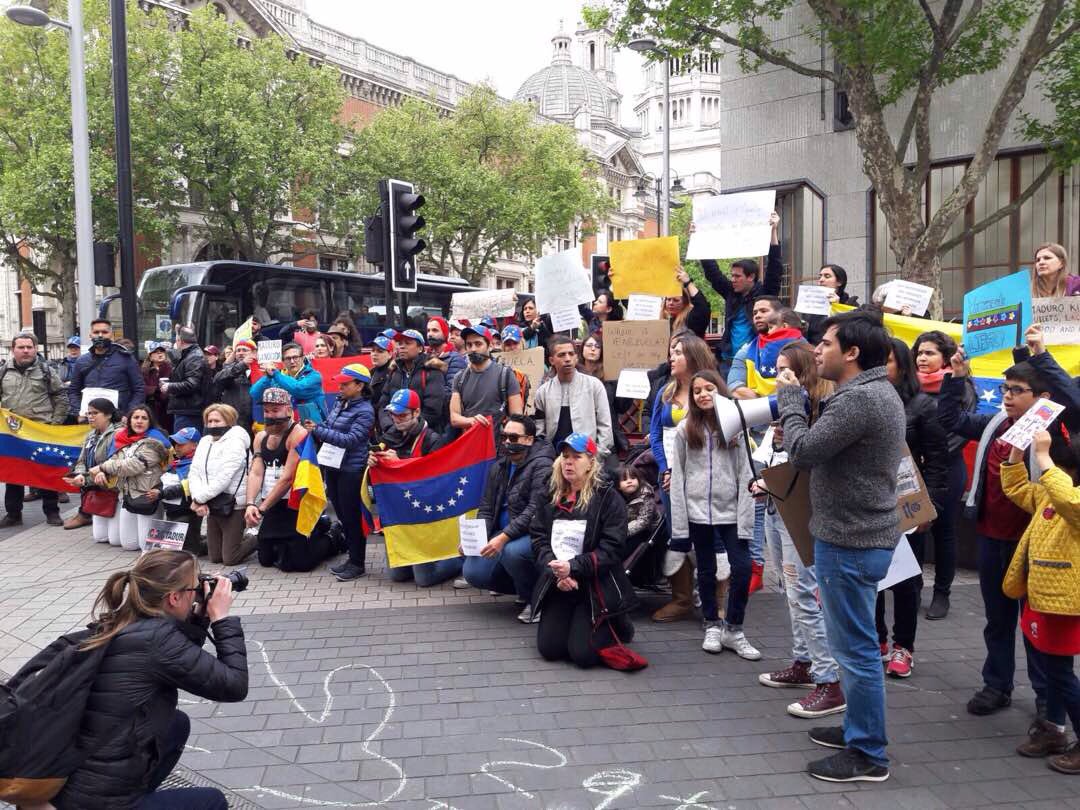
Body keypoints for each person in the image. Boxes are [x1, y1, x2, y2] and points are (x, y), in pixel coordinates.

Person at [775, 309, 905, 783]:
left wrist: (790, 401)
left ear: (851, 353)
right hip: (855, 537)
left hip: (850, 543)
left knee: (856, 651)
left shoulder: (859, 401)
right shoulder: (867, 393)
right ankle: (857, 730)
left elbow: (805, 452)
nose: (816, 350)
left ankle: (868, 754)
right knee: (855, 645)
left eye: (826, 343)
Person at [52, 550, 247, 810]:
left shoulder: (127, 619)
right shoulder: (158, 640)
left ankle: (141, 796)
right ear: (174, 597)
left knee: (176, 724)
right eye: (193, 587)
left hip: (75, 778)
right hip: (97, 801)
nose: (198, 590)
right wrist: (221, 619)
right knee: (212, 801)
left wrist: (199, 616)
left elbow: (181, 661)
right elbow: (234, 684)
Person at [938, 352, 1061, 719]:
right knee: (998, 619)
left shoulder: (1054, 435)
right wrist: (956, 377)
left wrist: (1038, 355)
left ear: (1041, 398)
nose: (1007, 396)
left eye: (1017, 390)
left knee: (1036, 624)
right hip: (992, 538)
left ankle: (1046, 698)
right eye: (1005, 389)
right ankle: (997, 685)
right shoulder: (994, 424)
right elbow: (950, 419)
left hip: (1033, 543)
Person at [754, 341, 845, 719]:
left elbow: (811, 459)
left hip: (802, 509)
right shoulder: (791, 408)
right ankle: (803, 663)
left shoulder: (824, 407)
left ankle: (829, 680)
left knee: (803, 592)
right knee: (793, 592)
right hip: (779, 504)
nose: (778, 377)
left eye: (785, 370)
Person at [1002, 429, 1080, 771]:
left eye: (1064, 470)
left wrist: (1045, 458)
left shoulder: (1071, 500)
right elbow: (1019, 489)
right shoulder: (1053, 495)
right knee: (1051, 669)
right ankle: (1053, 728)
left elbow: (1071, 503)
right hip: (1042, 595)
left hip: (1064, 601)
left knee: (1061, 673)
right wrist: (1017, 455)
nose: (1054, 476)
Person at [874, 338, 949, 679]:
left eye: (886, 362)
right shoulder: (866, 400)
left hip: (907, 504)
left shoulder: (921, 405)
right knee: (872, 576)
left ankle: (904, 646)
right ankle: (877, 640)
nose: (880, 368)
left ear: (901, 367)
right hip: (870, 502)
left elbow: (936, 460)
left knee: (905, 580)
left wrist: (928, 506)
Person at [668, 369, 757, 657]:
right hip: (697, 511)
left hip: (730, 509)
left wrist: (745, 515)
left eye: (709, 388)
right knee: (705, 570)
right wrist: (680, 526)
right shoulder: (685, 429)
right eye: (697, 391)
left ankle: (734, 627)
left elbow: (746, 472)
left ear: (720, 390)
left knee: (742, 568)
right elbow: (678, 474)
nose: (703, 394)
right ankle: (712, 623)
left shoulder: (735, 427)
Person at [532, 433, 635, 668]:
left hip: (595, 583)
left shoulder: (608, 497)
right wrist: (556, 571)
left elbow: (612, 549)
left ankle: (618, 622)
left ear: (591, 462)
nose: (568, 462)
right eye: (565, 456)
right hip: (559, 580)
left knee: (582, 656)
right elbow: (538, 539)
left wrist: (574, 568)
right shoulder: (548, 494)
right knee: (550, 650)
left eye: (576, 457)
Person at [649, 333, 717, 622]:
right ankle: (682, 599)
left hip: (704, 478)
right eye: (671, 352)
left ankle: (716, 601)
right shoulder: (665, 392)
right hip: (670, 479)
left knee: (711, 535)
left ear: (693, 356)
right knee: (676, 534)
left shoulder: (711, 392)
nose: (672, 357)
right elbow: (654, 435)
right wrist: (666, 469)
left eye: (677, 352)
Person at [464, 414, 555, 620]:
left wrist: (503, 538)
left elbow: (534, 510)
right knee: (473, 572)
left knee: (513, 553)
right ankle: (521, 588)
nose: (506, 442)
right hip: (503, 533)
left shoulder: (543, 465)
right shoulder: (499, 466)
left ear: (529, 439)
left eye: (513, 438)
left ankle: (537, 598)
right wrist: (475, 540)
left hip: (535, 534)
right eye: (504, 436)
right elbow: (486, 508)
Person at [913, 329, 975, 619]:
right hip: (914, 469)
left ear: (945, 357)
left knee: (944, 532)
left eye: (930, 353)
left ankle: (942, 594)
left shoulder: (960, 385)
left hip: (947, 467)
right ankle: (911, 589)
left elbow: (960, 429)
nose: (922, 358)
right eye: (920, 353)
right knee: (913, 530)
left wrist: (932, 453)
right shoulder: (909, 386)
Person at [306, 364, 374, 582]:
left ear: (360, 386)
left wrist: (318, 430)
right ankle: (352, 558)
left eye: (346, 384)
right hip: (333, 466)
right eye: (340, 383)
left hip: (352, 470)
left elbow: (351, 440)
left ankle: (357, 563)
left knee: (352, 516)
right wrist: (317, 426)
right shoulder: (340, 402)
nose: (340, 387)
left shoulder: (365, 410)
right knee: (343, 515)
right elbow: (329, 425)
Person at [0, 332, 68, 527]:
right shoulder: (4, 371)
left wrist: (55, 424)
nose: (26, 351)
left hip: (41, 431)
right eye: (21, 347)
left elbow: (61, 398)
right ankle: (13, 514)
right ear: (13, 349)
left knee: (45, 473)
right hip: (13, 434)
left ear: (35, 348)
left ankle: (52, 512)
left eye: (29, 347)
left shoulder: (46, 371)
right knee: (13, 474)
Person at [701, 211, 783, 373]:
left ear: (751, 277)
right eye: (732, 276)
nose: (732, 279)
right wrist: (699, 241)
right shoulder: (731, 293)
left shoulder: (765, 294)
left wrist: (773, 231)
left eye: (737, 276)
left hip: (755, 362)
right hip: (727, 362)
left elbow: (775, 267)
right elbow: (713, 273)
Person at [244, 387, 313, 570]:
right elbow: (256, 472)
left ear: (289, 410)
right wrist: (251, 503)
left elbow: (287, 478)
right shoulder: (259, 437)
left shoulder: (298, 434)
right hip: (272, 502)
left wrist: (262, 509)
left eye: (276, 410)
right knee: (266, 559)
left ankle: (331, 536)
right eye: (266, 411)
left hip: (295, 502)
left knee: (298, 563)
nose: (270, 416)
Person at [92, 405, 170, 552]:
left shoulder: (155, 441)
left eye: (144, 418)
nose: (139, 421)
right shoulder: (123, 438)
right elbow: (113, 459)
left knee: (150, 548)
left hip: (148, 496)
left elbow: (132, 466)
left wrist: (103, 468)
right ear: (129, 421)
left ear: (150, 422)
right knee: (127, 544)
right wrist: (104, 471)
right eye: (136, 417)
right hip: (127, 495)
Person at [187, 404, 254, 566]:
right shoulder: (204, 441)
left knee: (230, 559)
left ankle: (256, 537)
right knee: (215, 557)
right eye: (209, 421)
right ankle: (236, 537)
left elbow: (224, 478)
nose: (212, 424)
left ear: (229, 421)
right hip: (211, 501)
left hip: (232, 503)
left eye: (217, 420)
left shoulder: (236, 442)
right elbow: (194, 472)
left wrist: (199, 499)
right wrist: (199, 498)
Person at [533, 336, 612, 456]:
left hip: (587, 457)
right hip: (553, 458)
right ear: (551, 360)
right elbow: (540, 430)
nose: (567, 359)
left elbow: (605, 426)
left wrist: (596, 455)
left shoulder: (594, 385)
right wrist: (545, 456)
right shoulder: (543, 392)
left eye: (571, 354)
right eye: (561, 355)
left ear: (576, 358)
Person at [62, 397, 122, 539]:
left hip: (115, 490)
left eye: (95, 413)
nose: (90, 417)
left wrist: (86, 478)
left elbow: (113, 465)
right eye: (88, 413)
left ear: (108, 415)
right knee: (100, 538)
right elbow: (81, 460)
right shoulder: (90, 435)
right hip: (96, 487)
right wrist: (80, 475)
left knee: (117, 541)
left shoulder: (119, 434)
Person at [448, 326, 522, 435]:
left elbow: (517, 417)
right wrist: (472, 421)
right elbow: (454, 418)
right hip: (470, 443)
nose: (473, 349)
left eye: (478, 344)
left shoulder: (505, 375)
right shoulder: (459, 378)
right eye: (469, 344)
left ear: (490, 346)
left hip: (498, 445)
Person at [67, 319, 145, 418]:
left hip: (119, 420)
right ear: (90, 335)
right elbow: (73, 390)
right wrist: (79, 412)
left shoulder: (126, 359)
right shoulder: (82, 361)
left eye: (104, 332)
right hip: (89, 420)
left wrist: (129, 414)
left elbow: (139, 389)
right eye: (96, 332)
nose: (100, 335)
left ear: (111, 335)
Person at [377, 329, 448, 435]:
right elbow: (383, 406)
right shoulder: (394, 372)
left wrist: (408, 431)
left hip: (423, 437)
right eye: (400, 343)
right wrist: (391, 428)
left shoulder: (432, 372)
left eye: (408, 343)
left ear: (420, 348)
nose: (401, 346)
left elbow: (433, 411)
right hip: (394, 434)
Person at [579, 334, 632, 456]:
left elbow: (621, 407)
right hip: (581, 431)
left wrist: (628, 385)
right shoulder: (575, 374)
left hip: (606, 434)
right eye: (589, 345)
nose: (593, 349)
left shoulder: (610, 376)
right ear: (582, 349)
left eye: (597, 346)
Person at [251, 342, 327, 425]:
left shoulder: (314, 376)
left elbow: (298, 389)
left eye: (295, 357)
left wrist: (275, 374)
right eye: (288, 358)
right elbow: (255, 394)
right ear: (283, 361)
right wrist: (268, 376)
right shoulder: (278, 377)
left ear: (302, 358)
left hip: (313, 428)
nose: (292, 361)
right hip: (285, 427)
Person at [158, 426, 203, 555]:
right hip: (172, 510)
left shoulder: (196, 463)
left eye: (181, 444)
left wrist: (162, 493)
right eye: (175, 443)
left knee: (189, 551)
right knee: (170, 550)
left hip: (186, 511)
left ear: (194, 445)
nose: (176, 446)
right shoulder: (176, 461)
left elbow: (187, 487)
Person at [616, 465, 663, 586]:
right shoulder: (617, 497)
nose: (629, 481)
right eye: (625, 479)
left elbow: (643, 522)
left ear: (639, 480)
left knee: (623, 547)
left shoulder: (645, 495)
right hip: (627, 528)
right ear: (618, 486)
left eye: (633, 478)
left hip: (647, 531)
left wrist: (621, 533)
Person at [162, 326, 209, 434]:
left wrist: (169, 387)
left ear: (180, 341)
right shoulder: (190, 355)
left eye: (176, 339)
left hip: (190, 411)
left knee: (186, 446)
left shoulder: (194, 357)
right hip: (187, 409)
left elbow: (192, 384)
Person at [805, 265, 861, 344]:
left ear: (839, 282)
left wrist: (836, 307)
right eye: (820, 276)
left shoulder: (851, 305)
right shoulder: (814, 304)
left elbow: (851, 333)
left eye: (827, 276)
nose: (821, 280)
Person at [212, 338, 256, 430]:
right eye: (238, 350)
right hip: (235, 421)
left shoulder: (261, 369)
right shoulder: (230, 369)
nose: (240, 353)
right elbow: (218, 380)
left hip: (255, 421)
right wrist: (243, 365)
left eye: (244, 350)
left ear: (253, 353)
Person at [664, 266, 712, 339]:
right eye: (668, 299)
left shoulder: (691, 319)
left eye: (676, 300)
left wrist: (688, 282)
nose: (671, 303)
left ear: (685, 302)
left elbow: (702, 306)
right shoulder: (665, 320)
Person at [427, 316, 468, 394]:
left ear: (445, 333)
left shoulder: (455, 359)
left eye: (435, 330)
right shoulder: (424, 356)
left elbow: (452, 392)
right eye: (428, 330)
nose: (430, 334)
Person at [142, 342, 173, 431]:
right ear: (150, 357)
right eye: (156, 352)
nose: (160, 353)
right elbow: (142, 388)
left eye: (162, 351)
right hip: (150, 408)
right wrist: (155, 390)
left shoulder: (171, 369)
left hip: (167, 410)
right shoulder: (144, 371)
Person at [366, 335, 394, 408]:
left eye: (380, 351)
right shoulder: (369, 372)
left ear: (390, 355)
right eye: (373, 350)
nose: (375, 354)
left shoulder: (394, 374)